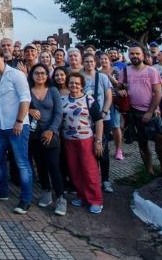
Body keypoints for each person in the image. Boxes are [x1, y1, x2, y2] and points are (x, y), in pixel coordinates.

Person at [0, 46, 34, 215]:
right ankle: (1, 190)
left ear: (2, 57)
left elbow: (25, 99)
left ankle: (26, 199)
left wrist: (19, 121)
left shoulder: (16, 75)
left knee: (21, 163)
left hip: (18, 125)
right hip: (0, 126)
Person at [60, 72, 104, 214]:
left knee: (89, 170)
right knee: (75, 170)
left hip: (86, 139)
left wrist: (98, 141)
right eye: (71, 82)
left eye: (77, 83)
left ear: (82, 85)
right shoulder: (62, 99)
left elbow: (98, 120)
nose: (74, 85)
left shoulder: (89, 100)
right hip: (68, 140)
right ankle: (82, 195)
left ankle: (95, 200)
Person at [124, 45, 162, 176]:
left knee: (159, 140)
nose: (135, 56)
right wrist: (120, 89)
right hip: (134, 112)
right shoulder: (125, 72)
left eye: (137, 54)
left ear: (143, 55)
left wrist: (150, 111)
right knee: (142, 143)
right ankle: (149, 170)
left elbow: (158, 94)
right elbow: (121, 87)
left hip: (151, 111)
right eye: (132, 54)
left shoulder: (151, 71)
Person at [27, 65, 65, 215]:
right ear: (32, 75)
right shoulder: (28, 91)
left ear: (47, 75)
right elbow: (21, 105)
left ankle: (61, 198)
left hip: (51, 133)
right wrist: (29, 110)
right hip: (34, 134)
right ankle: (46, 191)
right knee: (40, 165)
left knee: (53, 166)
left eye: (43, 73)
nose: (40, 76)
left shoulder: (53, 91)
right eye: (36, 73)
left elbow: (58, 113)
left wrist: (51, 130)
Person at [82, 53, 113, 193]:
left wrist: (104, 112)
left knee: (103, 149)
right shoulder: (80, 77)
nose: (89, 64)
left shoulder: (103, 77)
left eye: (91, 61)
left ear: (96, 63)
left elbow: (108, 97)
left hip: (103, 117)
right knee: (88, 150)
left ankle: (105, 179)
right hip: (85, 119)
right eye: (86, 61)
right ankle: (92, 178)